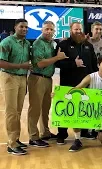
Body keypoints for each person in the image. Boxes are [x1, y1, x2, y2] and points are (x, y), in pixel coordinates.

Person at [55, 22, 98, 145]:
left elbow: (94, 65)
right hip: (67, 82)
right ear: (70, 30)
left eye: (80, 29)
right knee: (65, 108)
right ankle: (62, 134)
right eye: (76, 29)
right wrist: (74, 64)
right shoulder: (63, 44)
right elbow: (57, 63)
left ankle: (84, 131)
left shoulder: (88, 46)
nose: (78, 31)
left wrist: (95, 78)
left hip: (85, 83)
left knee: (82, 108)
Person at [28, 21, 68, 147]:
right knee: (35, 109)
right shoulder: (38, 43)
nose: (49, 31)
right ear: (42, 30)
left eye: (51, 29)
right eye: (46, 29)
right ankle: (33, 136)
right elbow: (39, 64)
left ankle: (45, 132)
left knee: (45, 108)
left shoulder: (51, 43)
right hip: (37, 78)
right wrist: (57, 58)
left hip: (48, 78)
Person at [68, 55, 102, 151]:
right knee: (76, 115)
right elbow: (77, 88)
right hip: (90, 109)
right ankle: (77, 140)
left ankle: (98, 132)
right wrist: (59, 94)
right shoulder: (91, 77)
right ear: (98, 65)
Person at [0, 19, 32, 155]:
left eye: (26, 27)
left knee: (18, 111)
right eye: (21, 27)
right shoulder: (6, 42)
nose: (24, 29)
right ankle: (11, 144)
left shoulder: (27, 43)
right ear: (15, 27)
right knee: (11, 111)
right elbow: (1, 63)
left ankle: (16, 138)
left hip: (22, 78)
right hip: (9, 77)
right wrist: (21, 66)